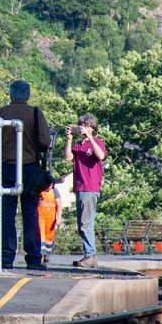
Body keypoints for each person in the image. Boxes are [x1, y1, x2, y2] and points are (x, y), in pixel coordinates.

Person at [0, 79, 51, 270]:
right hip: (29, 168)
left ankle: (6, 258)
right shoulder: (36, 113)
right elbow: (45, 142)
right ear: (27, 95)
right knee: (30, 214)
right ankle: (34, 258)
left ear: (11, 95)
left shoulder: (1, 114)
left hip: (6, 168)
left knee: (6, 214)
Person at [65, 113, 107, 269]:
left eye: (84, 124)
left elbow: (101, 156)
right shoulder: (78, 145)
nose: (81, 126)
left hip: (90, 187)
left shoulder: (97, 142)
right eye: (80, 124)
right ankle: (89, 254)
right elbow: (68, 158)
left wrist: (89, 137)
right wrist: (69, 139)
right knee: (82, 223)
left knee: (85, 222)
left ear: (92, 127)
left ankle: (90, 255)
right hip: (80, 187)